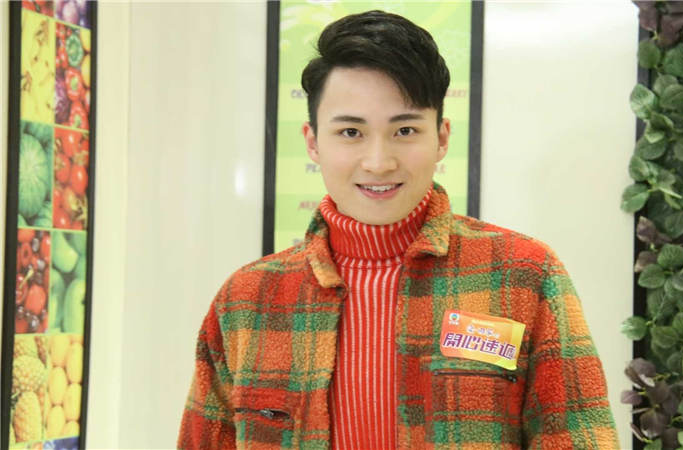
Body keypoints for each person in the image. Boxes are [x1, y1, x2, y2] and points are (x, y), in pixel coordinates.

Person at [178, 10, 619, 449]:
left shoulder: (523, 274)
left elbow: (581, 439)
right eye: (350, 132)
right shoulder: (247, 300)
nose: (378, 162)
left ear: (441, 137)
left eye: (404, 130)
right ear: (313, 142)